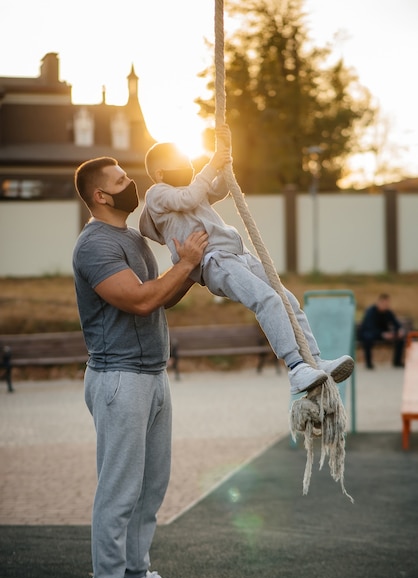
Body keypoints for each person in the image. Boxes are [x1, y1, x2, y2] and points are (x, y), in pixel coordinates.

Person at [73, 156, 209, 578]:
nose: (132, 183)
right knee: (120, 488)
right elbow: (141, 300)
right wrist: (186, 261)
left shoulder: (132, 238)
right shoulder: (94, 245)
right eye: (121, 181)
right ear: (101, 196)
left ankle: (135, 576)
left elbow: (163, 294)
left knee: (151, 486)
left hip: (152, 373)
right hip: (119, 378)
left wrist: (191, 267)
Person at [139, 125, 354, 395]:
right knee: (267, 300)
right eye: (180, 163)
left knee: (287, 299)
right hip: (214, 261)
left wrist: (224, 161)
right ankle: (296, 367)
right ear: (160, 173)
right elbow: (190, 196)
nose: (188, 167)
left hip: (238, 254)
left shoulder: (188, 190)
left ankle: (315, 359)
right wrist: (211, 163)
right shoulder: (157, 193)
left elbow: (215, 191)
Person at [359, 293, 406, 369]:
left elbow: (396, 323)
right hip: (372, 334)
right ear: (379, 302)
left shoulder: (388, 312)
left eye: (387, 303)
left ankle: (397, 362)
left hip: (383, 334)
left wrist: (400, 330)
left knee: (400, 339)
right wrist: (382, 334)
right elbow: (369, 327)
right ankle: (369, 363)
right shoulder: (371, 312)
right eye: (384, 303)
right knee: (367, 338)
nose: (386, 305)